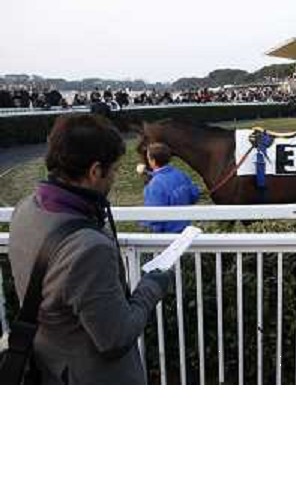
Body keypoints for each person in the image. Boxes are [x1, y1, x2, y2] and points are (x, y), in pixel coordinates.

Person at [8, 114, 174, 384]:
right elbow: (115, 339)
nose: (116, 177)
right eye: (115, 169)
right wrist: (152, 287)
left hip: (48, 364)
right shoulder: (89, 248)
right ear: (95, 171)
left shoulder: (25, 208)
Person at [141, 142, 201, 233]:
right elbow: (194, 194)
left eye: (148, 158)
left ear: (153, 161)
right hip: (184, 231)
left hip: (166, 236)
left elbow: (153, 217)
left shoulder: (155, 185)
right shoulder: (181, 174)